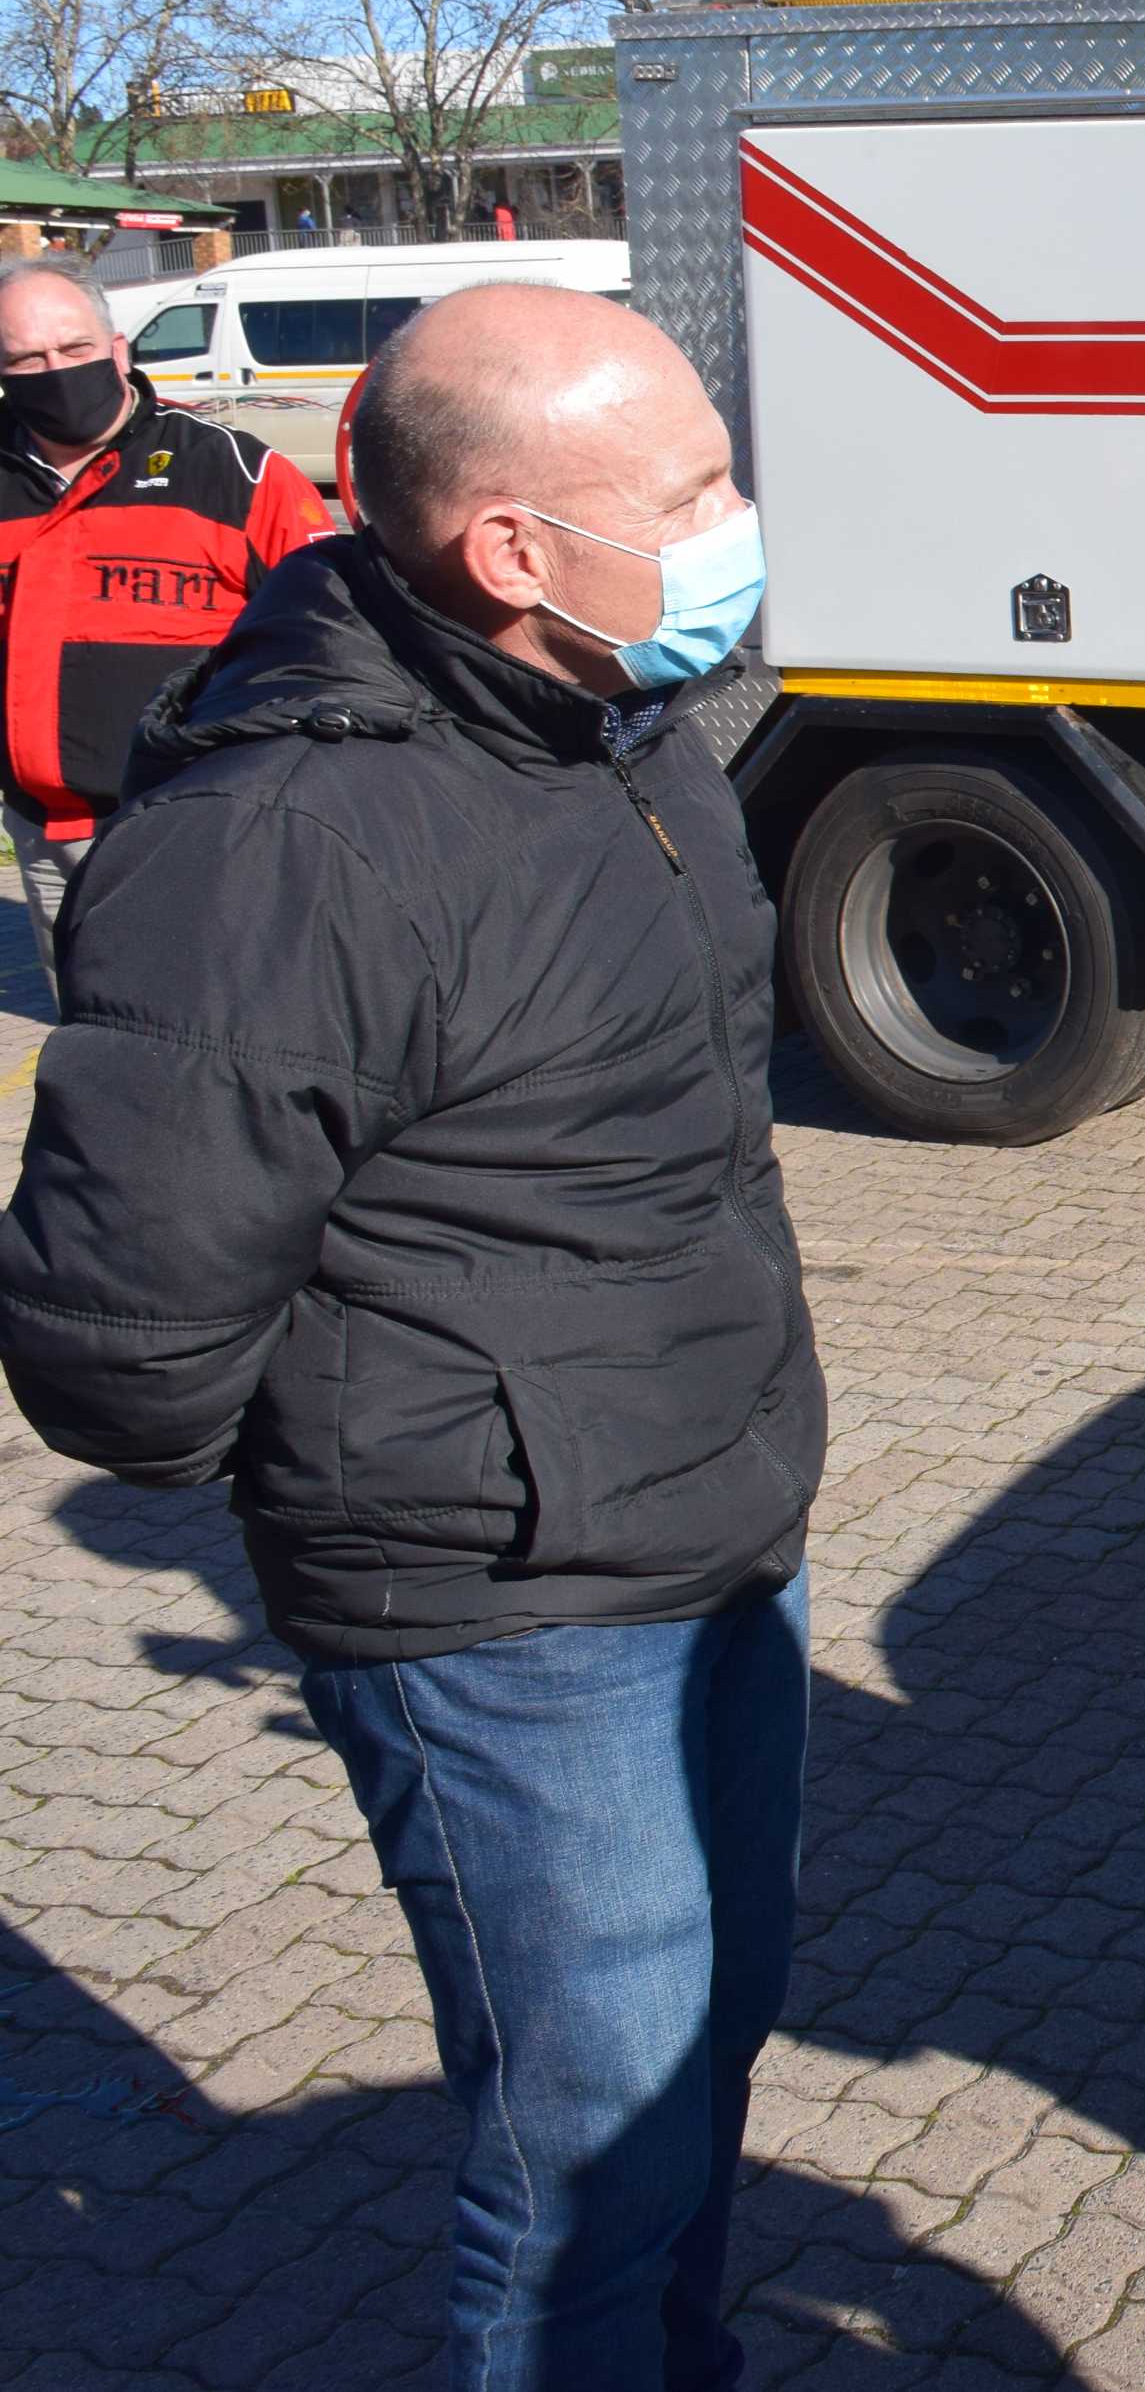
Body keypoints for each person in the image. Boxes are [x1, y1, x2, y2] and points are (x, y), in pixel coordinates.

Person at [0, 284, 823, 2389]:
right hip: (503, 1598)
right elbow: (121, 1337)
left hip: (720, 1520)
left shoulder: (623, 726)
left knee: (701, 2059)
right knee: (584, 2155)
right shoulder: (283, 832)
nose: (738, 520)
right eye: (696, 488)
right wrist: (421, 1426)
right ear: (512, 552)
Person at [0, 258, 330, 980]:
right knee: (94, 1045)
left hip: (199, 828)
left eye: (74, 349)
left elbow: (334, 642)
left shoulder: (235, 473)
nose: (54, 370)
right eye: (26, 358)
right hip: (47, 834)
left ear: (118, 349)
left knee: (219, 1027)